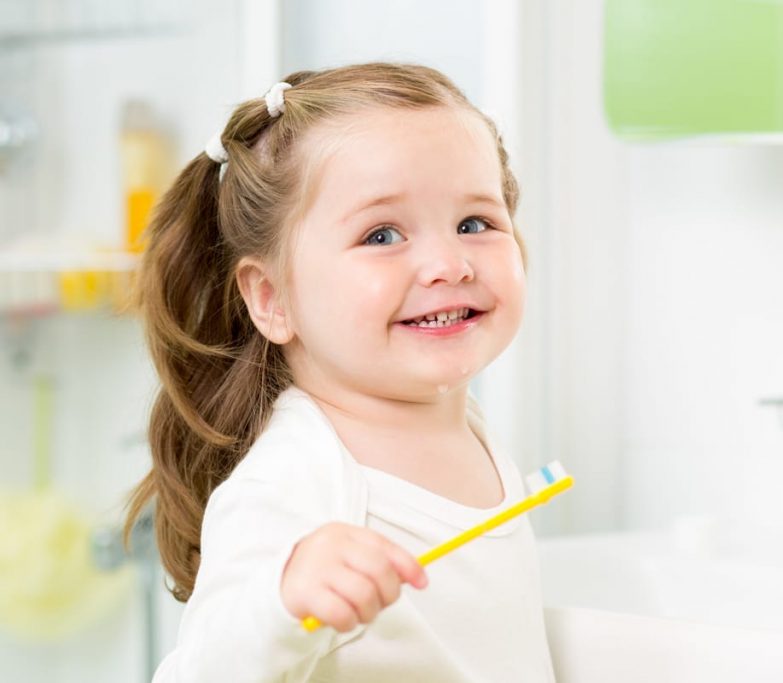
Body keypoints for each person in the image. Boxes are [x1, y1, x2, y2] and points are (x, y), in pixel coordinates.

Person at [123, 62, 555, 682]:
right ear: (272, 297)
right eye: (382, 235)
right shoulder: (297, 475)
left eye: (474, 223)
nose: (448, 263)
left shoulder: (467, 428)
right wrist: (283, 599)